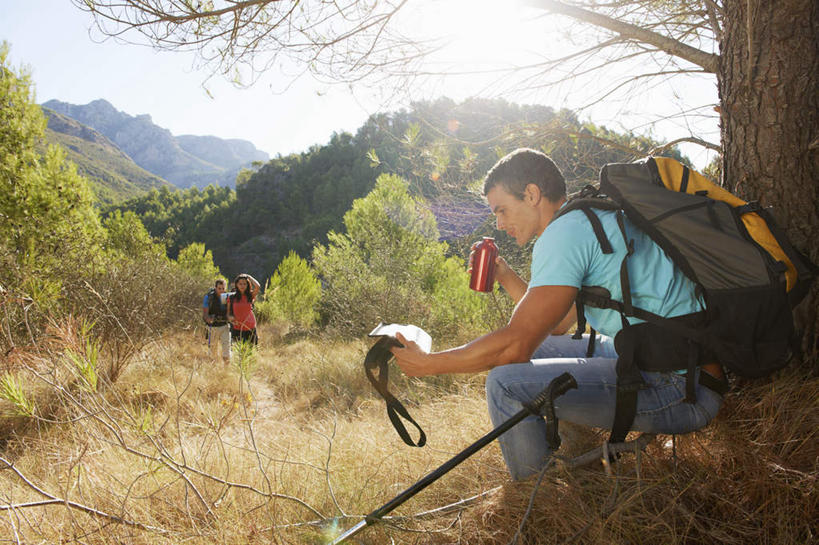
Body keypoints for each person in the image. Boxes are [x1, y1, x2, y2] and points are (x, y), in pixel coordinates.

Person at [390, 148, 725, 481]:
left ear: (531, 194)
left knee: (504, 385)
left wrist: (430, 364)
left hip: (681, 389)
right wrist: (505, 276)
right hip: (682, 365)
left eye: (502, 210)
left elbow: (514, 347)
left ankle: (537, 493)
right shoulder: (584, 217)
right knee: (537, 349)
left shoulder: (562, 235)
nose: (500, 224)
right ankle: (568, 447)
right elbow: (557, 325)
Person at [202, 279, 231, 365]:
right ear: (215, 288)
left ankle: (227, 368)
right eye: (219, 288)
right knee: (212, 350)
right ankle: (213, 368)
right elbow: (205, 314)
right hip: (213, 327)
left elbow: (230, 312)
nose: (221, 290)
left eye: (223, 288)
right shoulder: (208, 297)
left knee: (226, 348)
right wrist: (208, 319)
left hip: (224, 326)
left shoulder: (228, 297)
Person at [228, 273, 260, 345]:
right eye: (240, 284)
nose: (242, 286)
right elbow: (228, 313)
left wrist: (249, 276)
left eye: (244, 284)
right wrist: (231, 319)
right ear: (237, 285)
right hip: (237, 328)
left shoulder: (250, 295)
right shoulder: (232, 297)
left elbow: (257, 286)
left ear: (247, 285)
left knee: (251, 349)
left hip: (250, 327)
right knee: (237, 350)